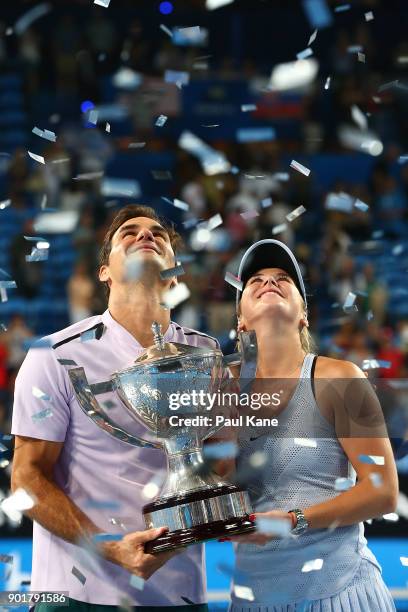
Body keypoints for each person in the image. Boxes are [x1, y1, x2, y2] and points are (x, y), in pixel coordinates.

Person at [11, 204, 220, 611]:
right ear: (104, 271)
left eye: (158, 233)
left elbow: (218, 463)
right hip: (76, 594)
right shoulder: (55, 355)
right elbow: (26, 478)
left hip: (178, 592)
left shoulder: (207, 354)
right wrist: (110, 548)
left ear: (175, 272)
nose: (146, 235)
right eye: (129, 232)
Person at [225, 239, 398, 611]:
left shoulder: (339, 378)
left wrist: (294, 519)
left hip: (341, 593)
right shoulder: (218, 388)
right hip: (254, 598)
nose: (268, 281)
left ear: (304, 314)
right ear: (239, 318)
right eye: (254, 279)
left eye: (283, 277)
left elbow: (383, 490)